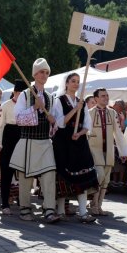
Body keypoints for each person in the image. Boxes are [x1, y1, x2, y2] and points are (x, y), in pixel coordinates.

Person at [9, 58, 60, 223]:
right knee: (25, 178)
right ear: (34, 74)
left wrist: (54, 122)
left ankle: (49, 209)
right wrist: (34, 108)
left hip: (45, 142)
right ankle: (24, 208)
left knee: (49, 174)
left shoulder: (51, 98)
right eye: (41, 72)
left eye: (47, 72)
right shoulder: (25, 94)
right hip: (28, 142)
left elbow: (55, 126)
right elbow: (17, 118)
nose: (44, 75)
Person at [52, 73, 98, 223]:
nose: (76, 84)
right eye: (73, 81)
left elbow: (87, 124)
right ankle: (60, 210)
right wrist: (74, 109)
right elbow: (60, 123)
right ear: (66, 83)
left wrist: (80, 133)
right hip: (63, 142)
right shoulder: (59, 101)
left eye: (78, 82)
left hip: (79, 142)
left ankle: (83, 212)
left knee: (83, 175)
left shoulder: (82, 102)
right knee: (63, 175)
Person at [88, 88, 127, 216]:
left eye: (107, 95)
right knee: (99, 176)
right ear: (96, 99)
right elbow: (85, 133)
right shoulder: (89, 113)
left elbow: (118, 133)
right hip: (94, 150)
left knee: (106, 180)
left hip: (109, 150)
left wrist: (123, 151)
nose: (105, 98)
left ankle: (98, 206)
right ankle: (93, 204)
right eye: (102, 96)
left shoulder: (112, 113)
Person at [0, 79, 27, 215]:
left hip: (23, 138)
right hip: (8, 140)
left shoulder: (28, 106)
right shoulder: (5, 106)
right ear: (15, 92)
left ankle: (23, 201)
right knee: (6, 173)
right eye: (20, 93)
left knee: (23, 173)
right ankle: (5, 203)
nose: (21, 96)